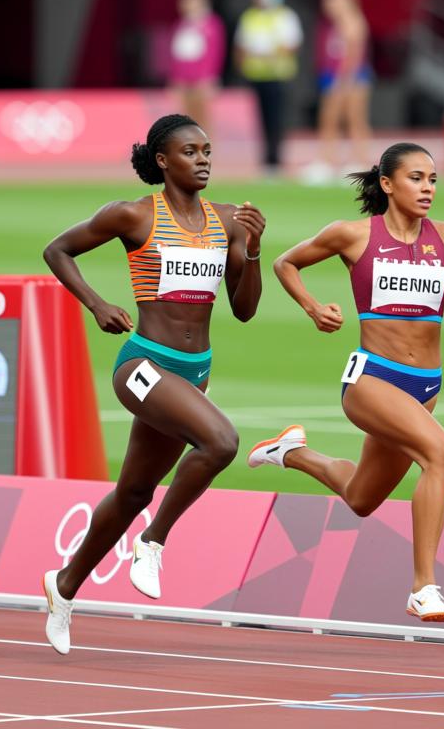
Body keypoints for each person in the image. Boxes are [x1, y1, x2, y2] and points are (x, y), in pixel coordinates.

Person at [40, 113, 265, 655]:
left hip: (195, 371)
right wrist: (96, 305)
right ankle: (153, 541)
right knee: (221, 443)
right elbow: (57, 250)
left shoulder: (230, 220)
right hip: (143, 364)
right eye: (191, 151)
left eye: (208, 150)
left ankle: (63, 586)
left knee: (134, 490)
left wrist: (253, 249)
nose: (204, 159)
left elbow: (245, 310)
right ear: (163, 161)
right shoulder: (134, 215)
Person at [252, 142, 444, 623]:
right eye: (416, 178)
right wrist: (314, 308)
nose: (427, 188)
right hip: (371, 381)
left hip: (426, 386)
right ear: (387, 184)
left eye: (432, 179)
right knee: (441, 456)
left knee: (362, 498)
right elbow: (286, 263)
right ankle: (424, 586)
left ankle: (291, 452)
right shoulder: (353, 235)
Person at [234, 0, 303, 178]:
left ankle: (275, 158)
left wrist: (272, 54)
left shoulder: (285, 16)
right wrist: (242, 67)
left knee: (276, 117)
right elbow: (241, 45)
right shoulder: (250, 16)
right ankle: (265, 158)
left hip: (278, 74)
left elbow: (293, 43)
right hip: (255, 74)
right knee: (260, 118)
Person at [305, 0, 372, 184]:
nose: (328, 6)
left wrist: (344, 81)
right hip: (333, 75)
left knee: (353, 119)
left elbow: (354, 55)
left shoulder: (353, 21)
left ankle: (360, 162)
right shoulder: (333, 25)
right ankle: (327, 161)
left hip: (351, 78)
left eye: (333, 1)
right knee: (329, 119)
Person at [168, 0, 225, 131]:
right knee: (186, 119)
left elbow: (215, 53)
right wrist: (175, 77)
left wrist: (210, 77)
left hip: (202, 80)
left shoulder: (212, 24)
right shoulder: (181, 25)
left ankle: (205, 150)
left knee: (203, 118)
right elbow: (176, 55)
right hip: (185, 80)